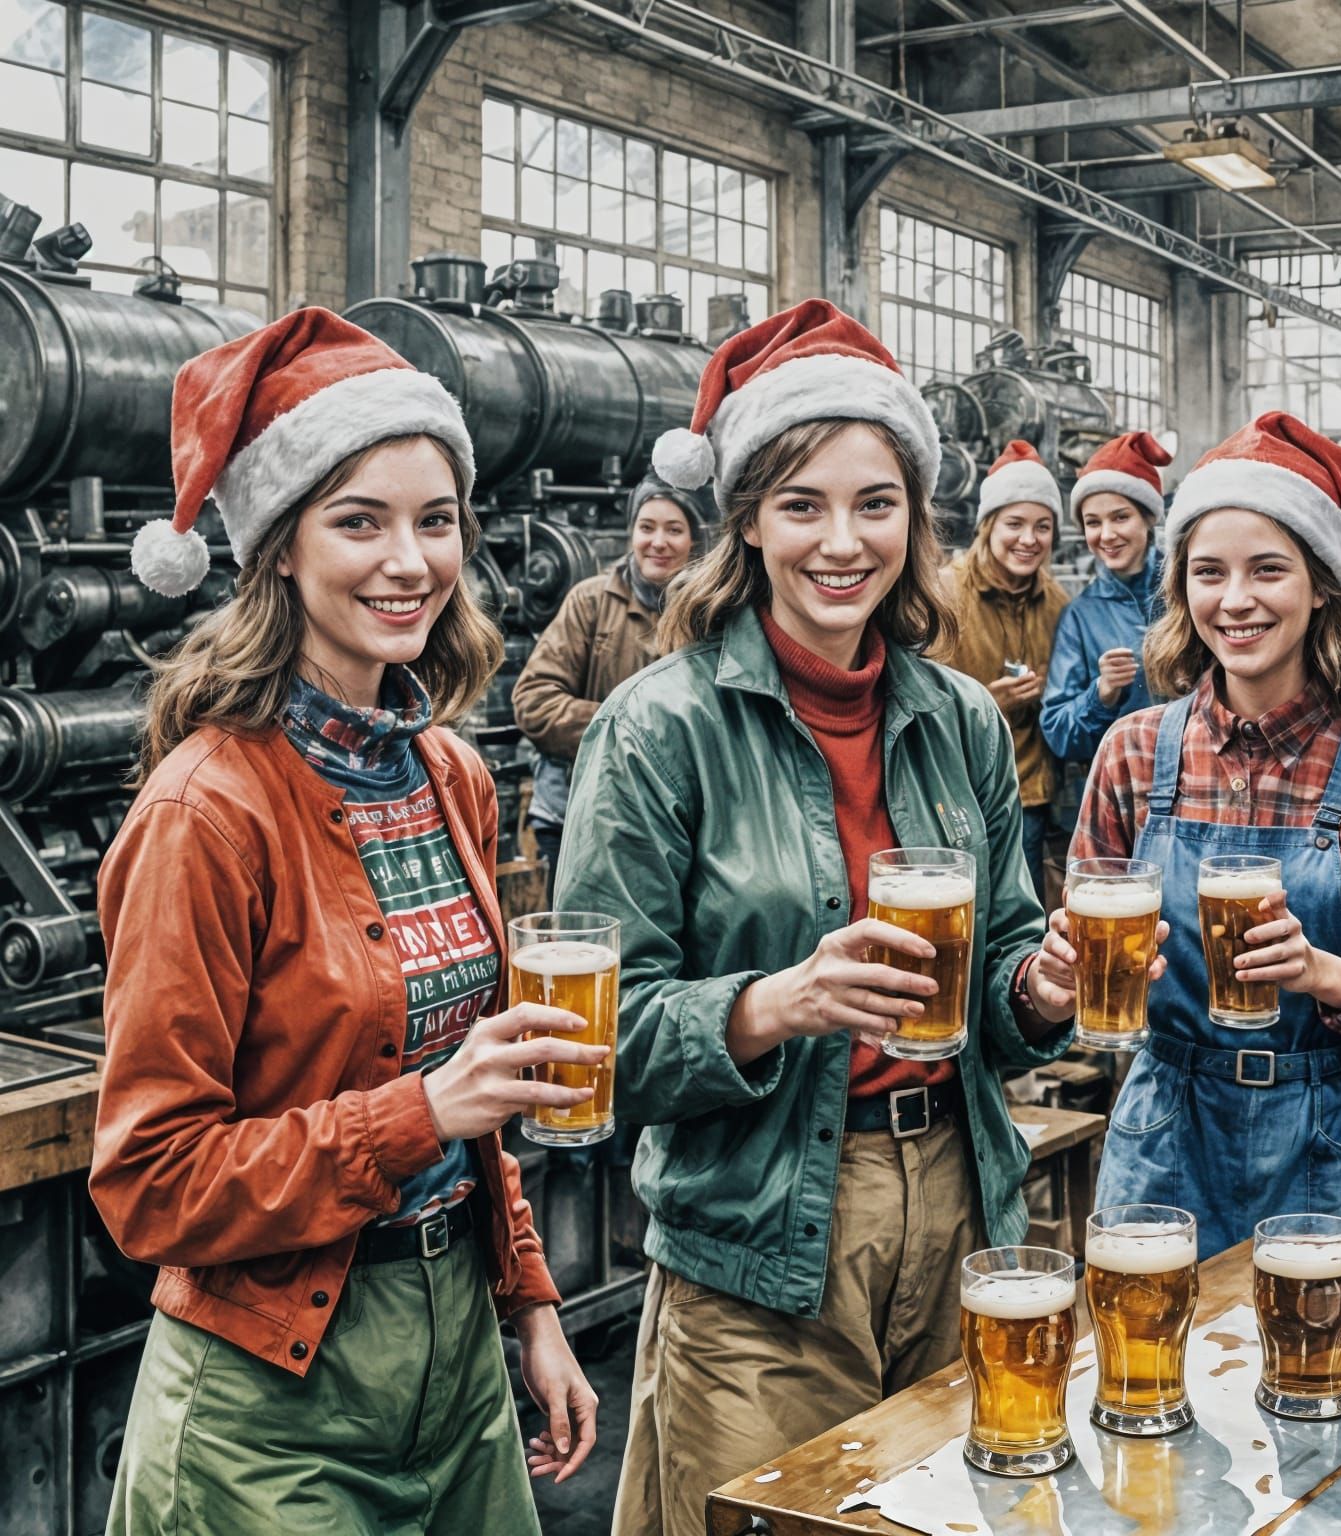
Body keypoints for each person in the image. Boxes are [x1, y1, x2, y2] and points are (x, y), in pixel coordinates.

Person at [554, 299, 1101, 1536]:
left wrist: (1039, 988)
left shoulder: (958, 717)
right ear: (745, 521)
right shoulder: (659, 726)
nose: (842, 542)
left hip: (965, 1209)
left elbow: (1003, 969)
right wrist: (771, 1004)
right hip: (761, 1250)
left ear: (917, 520)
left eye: (876, 503)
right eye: (801, 504)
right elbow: (594, 1042)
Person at [90, 310, 601, 1534]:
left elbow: (470, 1096)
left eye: (436, 522)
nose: (409, 561)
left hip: (457, 1351)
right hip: (272, 1399)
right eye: (358, 521)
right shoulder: (207, 813)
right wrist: (419, 1113)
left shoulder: (447, 773)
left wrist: (529, 1305)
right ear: (278, 549)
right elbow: (150, 1187)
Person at [1038, 411, 1341, 1258]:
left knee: (1330, 1387)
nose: (1234, 600)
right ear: (1181, 590)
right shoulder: (1132, 752)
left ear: (1322, 586)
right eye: (1208, 572)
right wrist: (1057, 974)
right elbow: (1072, 974)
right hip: (1166, 1131)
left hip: (1338, 1144)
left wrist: (1328, 975)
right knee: (1154, 1379)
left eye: (1267, 570)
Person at [513, 472, 709, 899]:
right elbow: (534, 702)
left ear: (695, 540)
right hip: (574, 814)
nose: (657, 541)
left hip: (672, 824)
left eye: (674, 529)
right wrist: (635, 733)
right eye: (647, 527)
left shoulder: (711, 617)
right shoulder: (591, 602)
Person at [935, 439, 1068, 900]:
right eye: (1015, 523)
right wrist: (987, 706)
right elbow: (908, 699)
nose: (1029, 539)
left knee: (1020, 924)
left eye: (1043, 526)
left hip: (1029, 795)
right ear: (988, 526)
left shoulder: (1058, 605)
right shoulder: (943, 597)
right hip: (953, 794)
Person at [1041, 430, 1172, 770]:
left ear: (1148, 518)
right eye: (1093, 523)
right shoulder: (1081, 616)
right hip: (1127, 789)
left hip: (1204, 783)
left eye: (1120, 517)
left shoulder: (1188, 593)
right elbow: (1058, 732)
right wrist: (1101, 693)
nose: (1107, 535)